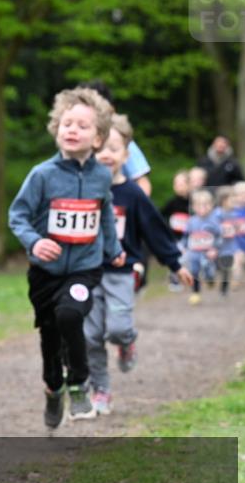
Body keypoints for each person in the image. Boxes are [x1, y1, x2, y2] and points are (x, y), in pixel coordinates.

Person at [8, 87, 124, 429]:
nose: (73, 130)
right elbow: (18, 215)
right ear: (56, 128)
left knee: (70, 314)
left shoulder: (102, 176)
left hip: (85, 269)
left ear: (99, 138)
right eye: (67, 124)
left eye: (83, 126)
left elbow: (104, 216)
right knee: (49, 333)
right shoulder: (42, 175)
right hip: (45, 272)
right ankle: (53, 387)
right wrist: (35, 242)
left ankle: (78, 383)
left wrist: (113, 250)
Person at [82, 115, 192, 417]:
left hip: (121, 273)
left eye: (114, 148)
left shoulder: (133, 194)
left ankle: (127, 341)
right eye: (100, 147)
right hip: (88, 273)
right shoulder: (83, 189)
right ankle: (101, 390)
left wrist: (174, 263)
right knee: (90, 336)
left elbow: (155, 230)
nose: (106, 154)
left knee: (117, 328)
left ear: (126, 156)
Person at [182, 189, 223, 305]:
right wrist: (183, 247)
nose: (202, 208)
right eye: (199, 205)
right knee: (194, 271)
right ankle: (195, 293)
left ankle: (210, 279)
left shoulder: (214, 221)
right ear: (194, 207)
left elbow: (219, 237)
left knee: (208, 271)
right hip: (194, 252)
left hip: (208, 253)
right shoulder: (191, 221)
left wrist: (215, 248)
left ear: (211, 205)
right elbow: (186, 236)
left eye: (205, 204)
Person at [160, 171, 192, 291]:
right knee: (177, 258)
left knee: (189, 259)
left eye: (181, 184)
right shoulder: (172, 203)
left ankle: (189, 279)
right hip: (174, 238)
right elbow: (160, 216)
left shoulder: (193, 203)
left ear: (189, 185)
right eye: (176, 184)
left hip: (190, 238)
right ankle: (174, 279)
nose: (178, 187)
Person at [228, 180, 245, 286]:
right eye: (241, 195)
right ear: (235, 196)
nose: (244, 197)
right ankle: (236, 280)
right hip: (236, 241)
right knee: (237, 260)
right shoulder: (231, 211)